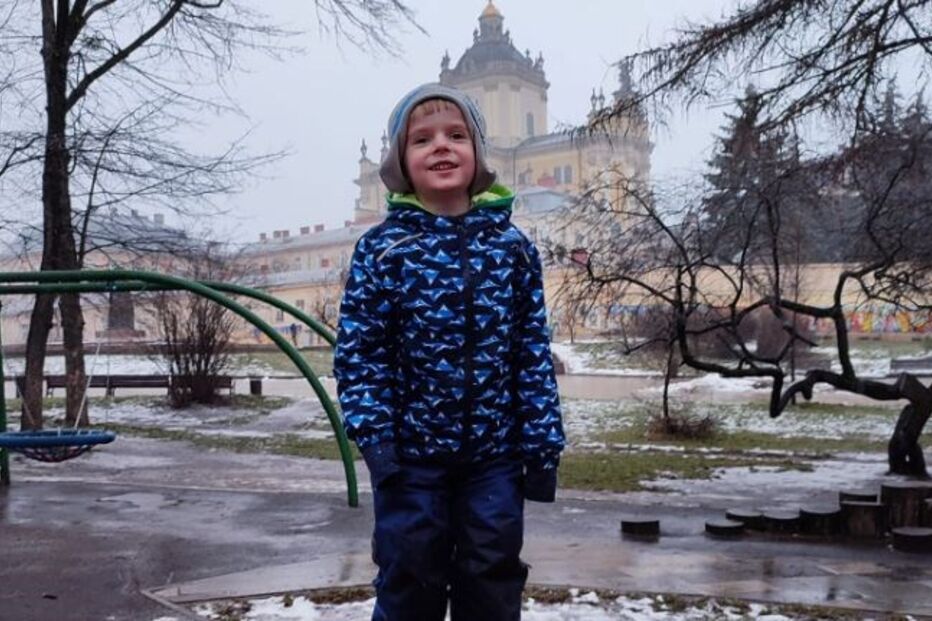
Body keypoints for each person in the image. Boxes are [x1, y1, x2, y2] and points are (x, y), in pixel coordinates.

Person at [333, 83, 565, 621]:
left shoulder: (511, 248)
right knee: (410, 575)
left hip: (495, 458)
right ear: (399, 162)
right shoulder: (384, 249)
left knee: (492, 577)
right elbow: (360, 353)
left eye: (456, 135)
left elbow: (530, 351)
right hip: (410, 459)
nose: (441, 146)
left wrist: (542, 444)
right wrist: (377, 440)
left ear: (478, 153)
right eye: (422, 139)